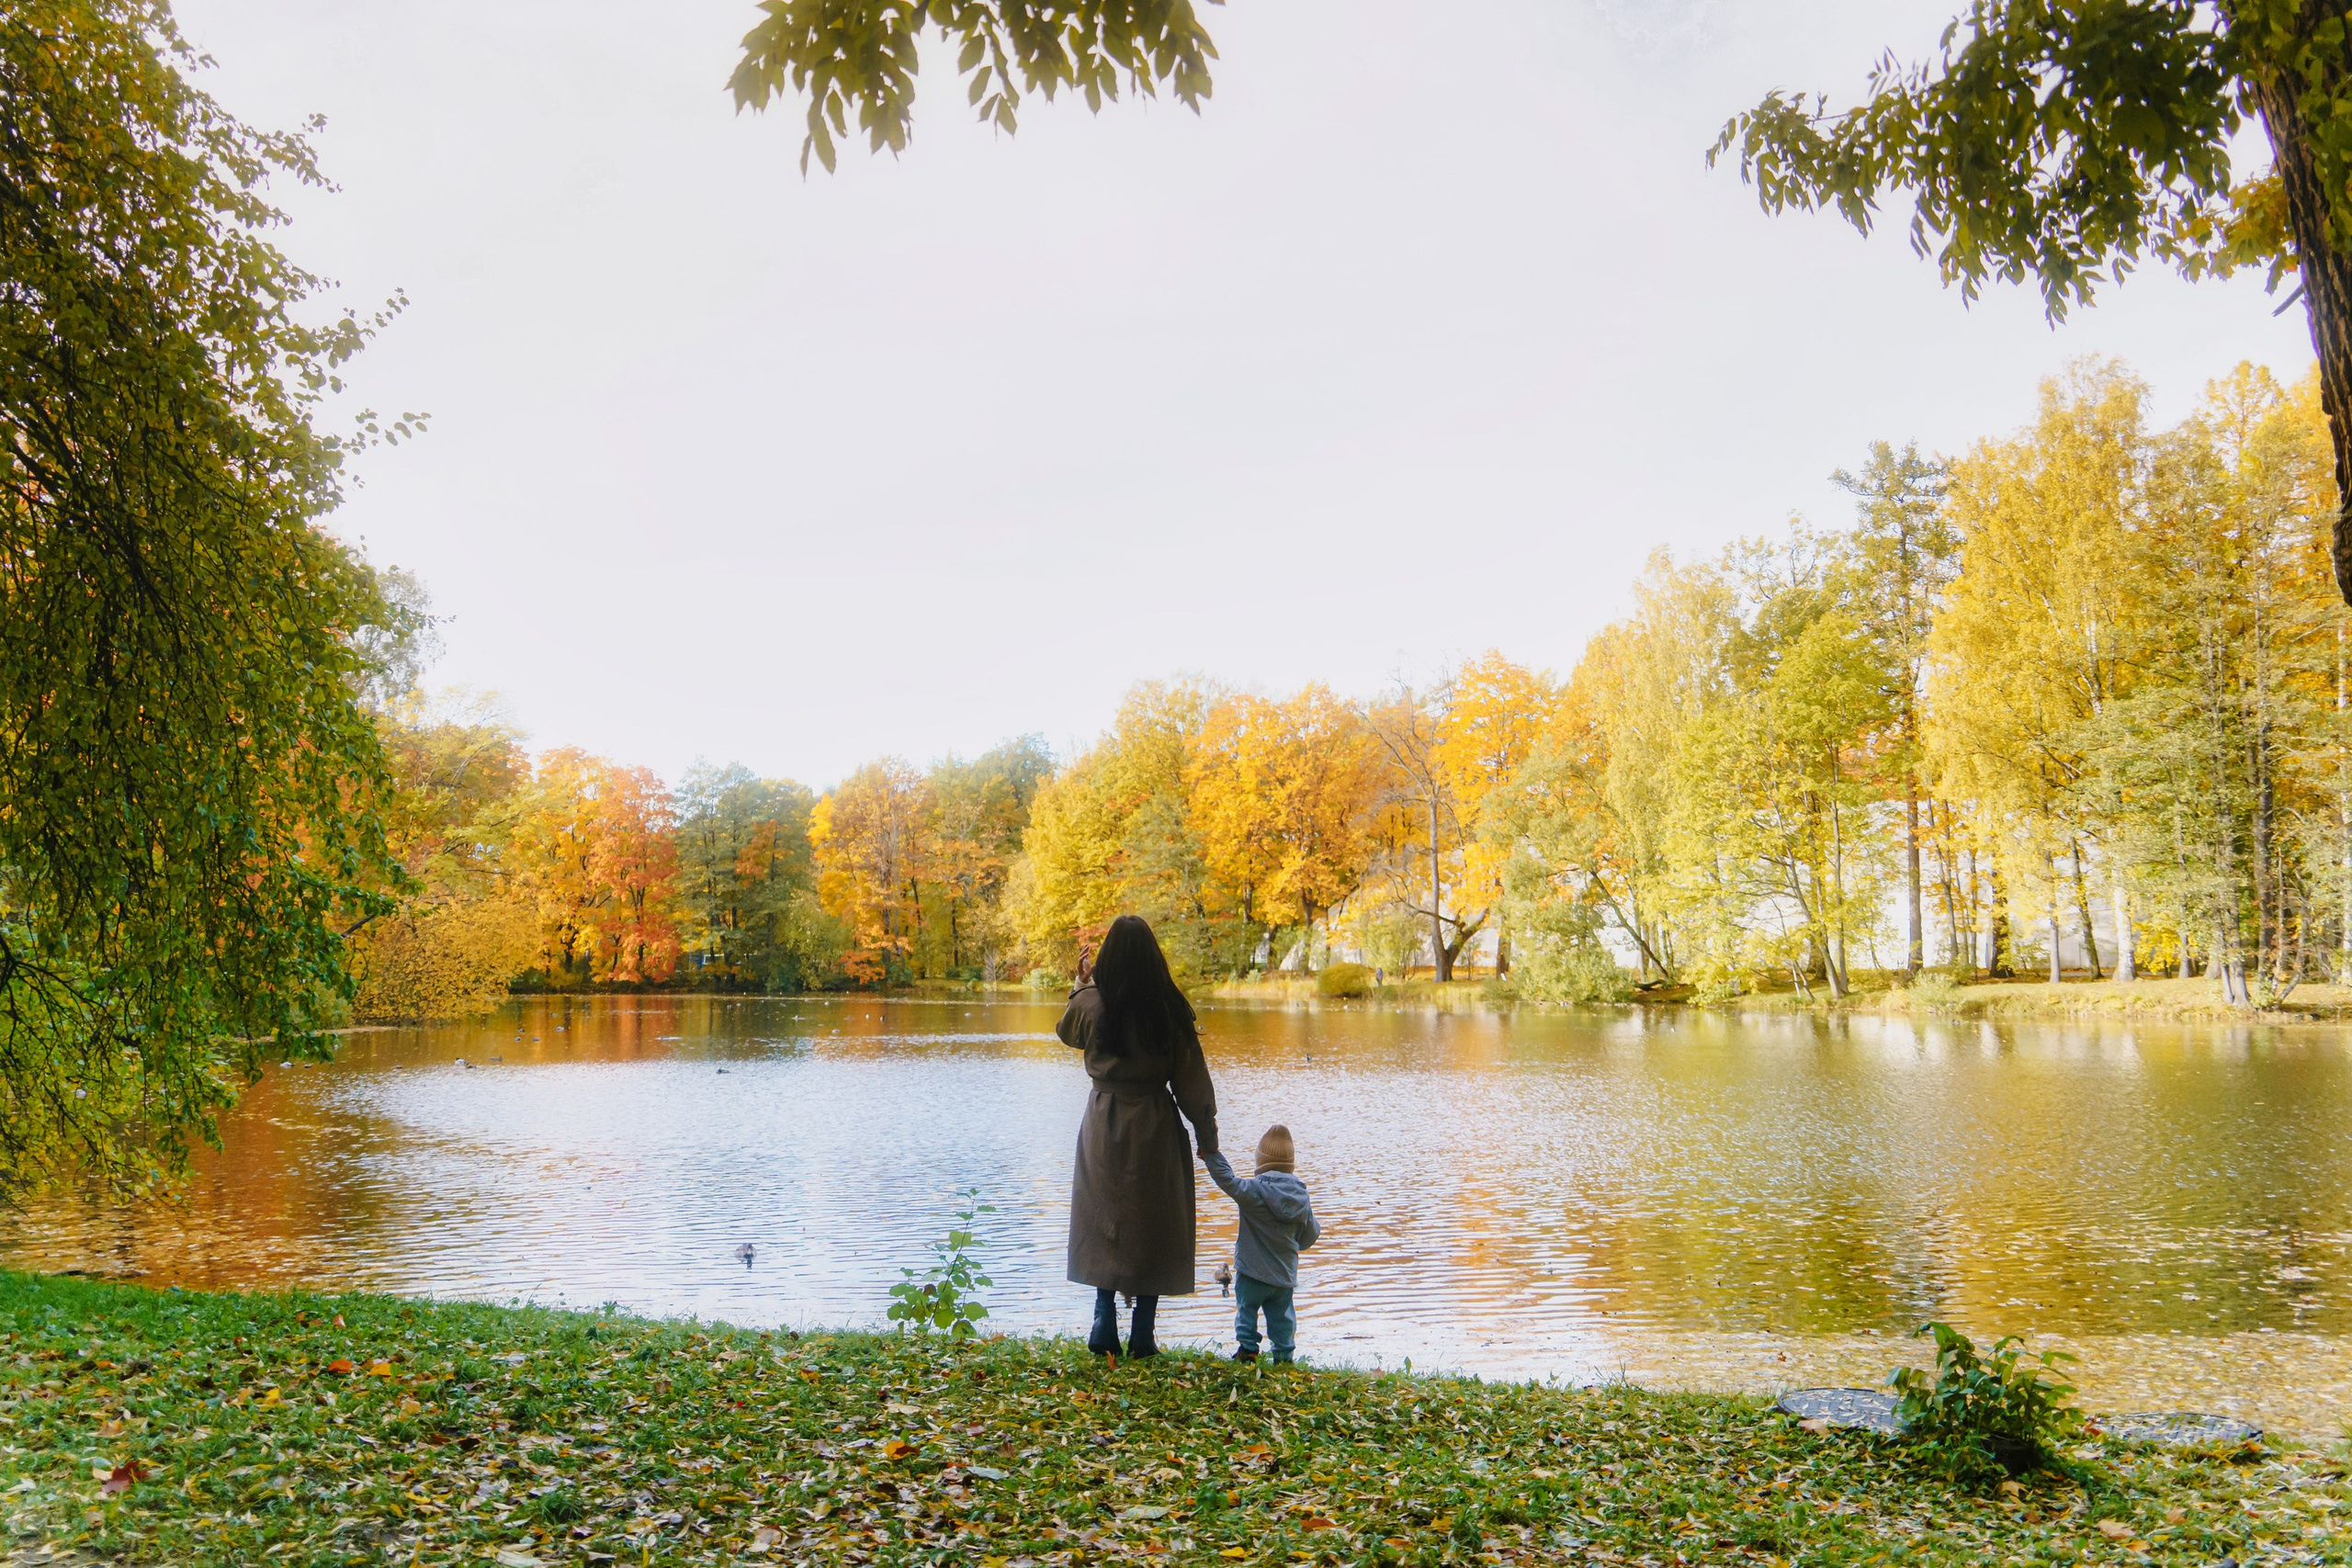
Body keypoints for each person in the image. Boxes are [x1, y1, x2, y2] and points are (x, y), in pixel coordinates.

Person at [1057, 915, 1219, 1359]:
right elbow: (1192, 1081)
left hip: (1103, 1121)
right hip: (1154, 1123)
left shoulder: (1092, 1003)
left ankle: (1103, 1315)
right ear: (1154, 957)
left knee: (1103, 1215)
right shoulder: (1168, 1007)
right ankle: (1143, 1332)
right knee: (1154, 1219)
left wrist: (1081, 984)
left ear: (1108, 955)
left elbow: (1067, 1032)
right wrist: (1206, 1133)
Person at [1200, 1124, 1319, 1363]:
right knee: (1283, 1318)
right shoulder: (1301, 1197)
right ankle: (1284, 1355)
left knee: (1246, 1310)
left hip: (1252, 1273)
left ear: (1261, 1161)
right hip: (1283, 1276)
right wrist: (1293, 1245)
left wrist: (1212, 1155)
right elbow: (1311, 1234)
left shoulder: (1252, 1191)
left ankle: (1248, 1350)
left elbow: (1227, 1179)